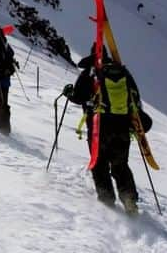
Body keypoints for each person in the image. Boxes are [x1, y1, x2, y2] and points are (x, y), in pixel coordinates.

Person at [66, 44, 146, 215]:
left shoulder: (90, 72)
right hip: (122, 127)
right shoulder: (122, 72)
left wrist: (68, 93)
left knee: (99, 164)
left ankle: (107, 201)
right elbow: (135, 97)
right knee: (120, 165)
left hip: (98, 128)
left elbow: (79, 97)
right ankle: (129, 200)